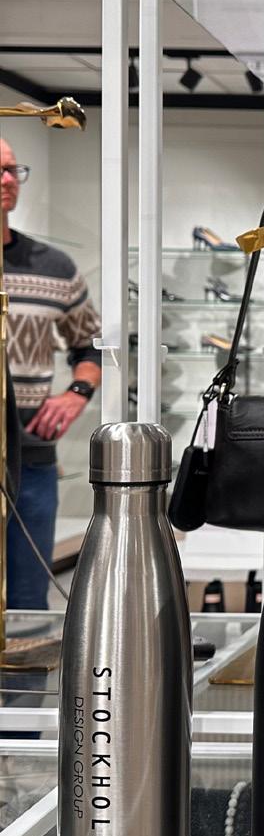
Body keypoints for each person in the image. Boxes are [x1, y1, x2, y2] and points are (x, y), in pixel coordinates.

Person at [1, 137, 102, 609]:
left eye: (13, 170)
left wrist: (77, 391)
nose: (7, 180)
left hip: (32, 451)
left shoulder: (54, 267)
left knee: (29, 599)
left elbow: (90, 344)